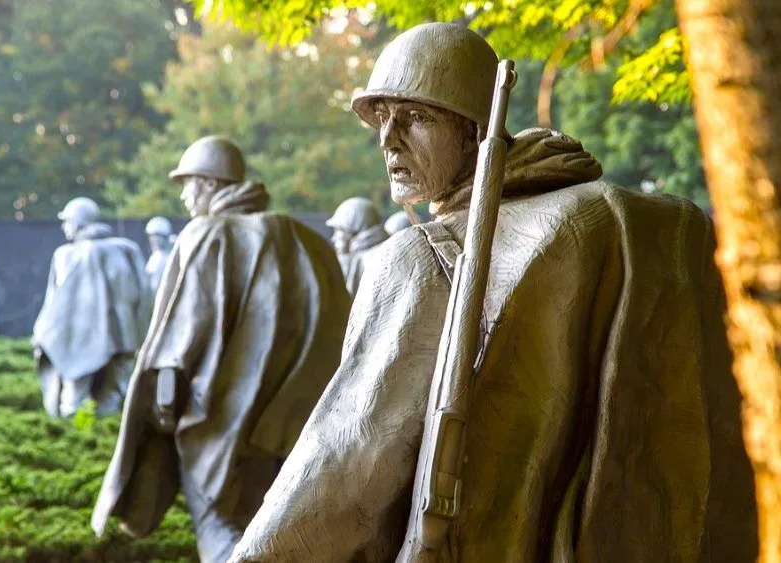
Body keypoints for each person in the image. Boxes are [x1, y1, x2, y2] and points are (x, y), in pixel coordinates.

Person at [230, 23, 756, 562]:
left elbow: (344, 469)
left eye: (416, 117)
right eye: (381, 118)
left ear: (476, 131)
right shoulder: (642, 227)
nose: (388, 139)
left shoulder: (424, 256)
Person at [91, 136, 351, 562]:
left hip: (214, 420)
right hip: (291, 426)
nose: (183, 194)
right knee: (272, 527)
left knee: (219, 528)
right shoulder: (307, 239)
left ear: (212, 184)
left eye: (189, 182)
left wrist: (163, 406)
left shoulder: (206, 234)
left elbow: (179, 335)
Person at [32, 197, 150, 418]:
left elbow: (55, 303)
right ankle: (105, 436)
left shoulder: (67, 255)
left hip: (78, 342)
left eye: (66, 221)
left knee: (74, 401)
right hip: (122, 340)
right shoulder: (126, 249)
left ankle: (80, 436)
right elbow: (143, 296)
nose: (63, 226)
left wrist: (42, 332)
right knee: (113, 399)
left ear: (77, 223)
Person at [326, 197, 389, 297]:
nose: (334, 238)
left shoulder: (368, 260)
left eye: (338, 230)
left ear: (353, 228)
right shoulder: (387, 249)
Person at [144, 216, 176, 294]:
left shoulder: (169, 257)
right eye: (151, 236)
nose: (154, 239)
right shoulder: (155, 257)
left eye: (157, 236)